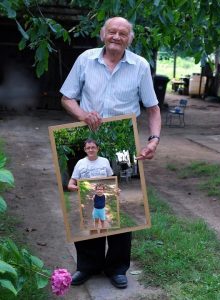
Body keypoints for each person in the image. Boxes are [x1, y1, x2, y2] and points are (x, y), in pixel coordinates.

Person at [60, 16, 161, 289]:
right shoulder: (85, 60)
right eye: (112, 32)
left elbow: (153, 108)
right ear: (104, 34)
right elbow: (67, 97)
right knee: (88, 199)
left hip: (124, 145)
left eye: (123, 33)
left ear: (129, 39)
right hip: (90, 140)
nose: (117, 36)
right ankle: (87, 265)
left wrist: (153, 139)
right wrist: (82, 114)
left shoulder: (140, 66)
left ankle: (117, 267)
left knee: (124, 200)